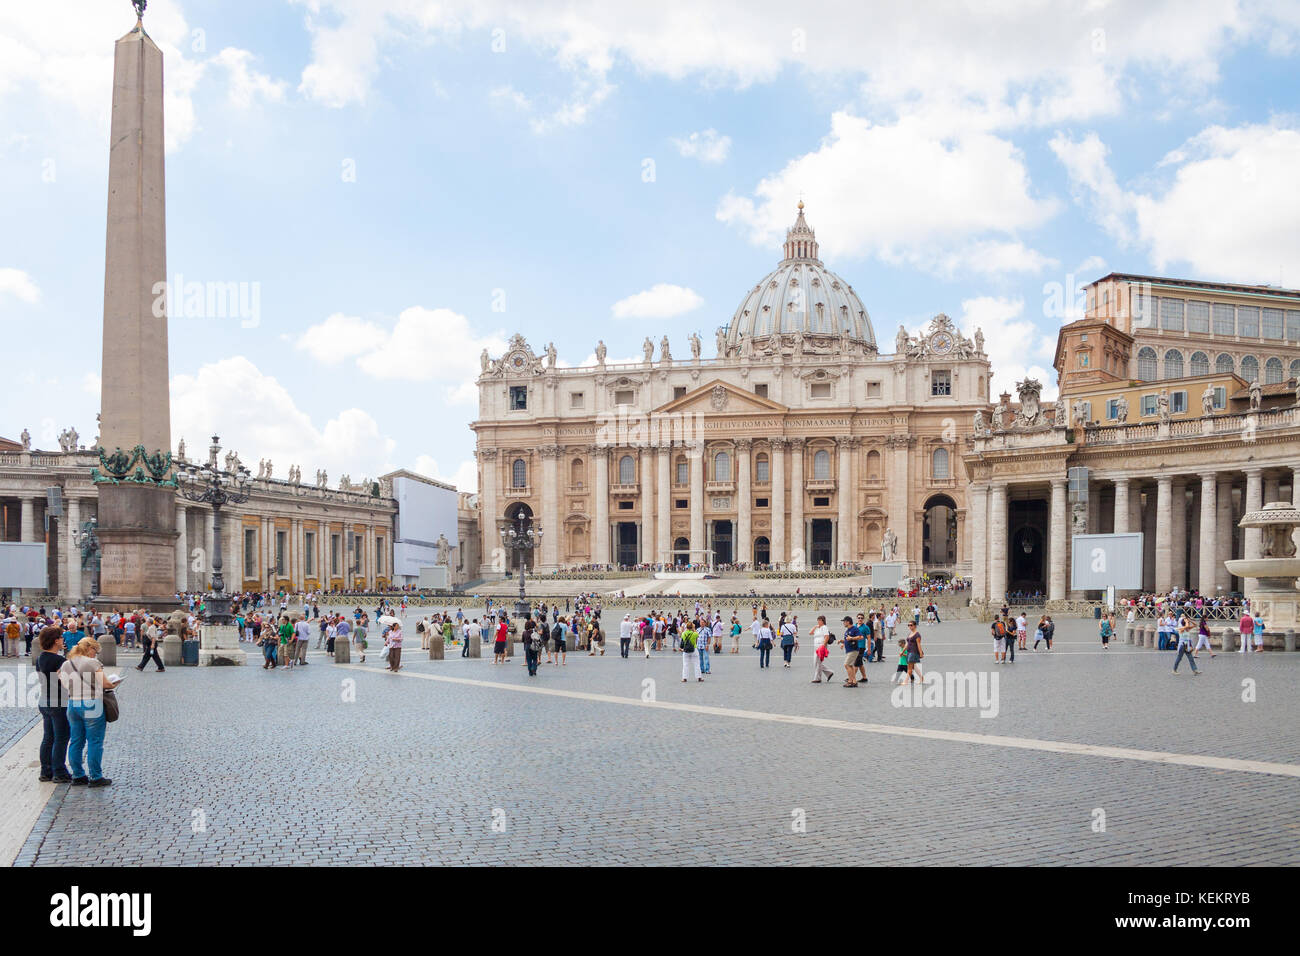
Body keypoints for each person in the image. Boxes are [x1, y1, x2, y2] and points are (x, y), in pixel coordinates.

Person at [58, 637, 116, 787]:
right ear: (90, 648)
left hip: (73, 704)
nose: (95, 654)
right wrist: (113, 683)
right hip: (91, 703)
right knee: (95, 741)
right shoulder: (92, 663)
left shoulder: (66, 664)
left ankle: (78, 775)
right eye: (95, 651)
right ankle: (96, 777)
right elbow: (105, 683)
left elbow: (65, 685)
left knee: (76, 741)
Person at [35, 626, 71, 783]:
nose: (63, 639)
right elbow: (65, 682)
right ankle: (59, 771)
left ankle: (45, 771)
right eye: (61, 637)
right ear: (56, 641)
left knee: (48, 737)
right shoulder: (59, 661)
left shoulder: (40, 658)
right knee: (61, 737)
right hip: (58, 702)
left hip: (44, 700)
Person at [810, 615, 834, 684]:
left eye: (820, 620)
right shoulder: (817, 628)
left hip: (821, 646)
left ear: (823, 621)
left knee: (818, 662)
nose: (818, 621)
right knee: (816, 662)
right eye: (818, 620)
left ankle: (817, 678)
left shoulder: (824, 627)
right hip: (816, 646)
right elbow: (810, 633)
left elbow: (827, 637)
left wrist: (823, 645)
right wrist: (815, 627)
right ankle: (829, 672)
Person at [840, 616, 860, 687]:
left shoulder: (854, 628)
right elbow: (847, 640)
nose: (843, 623)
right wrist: (842, 642)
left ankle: (850, 681)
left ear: (848, 622)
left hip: (853, 649)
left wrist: (851, 638)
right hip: (849, 650)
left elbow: (860, 637)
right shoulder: (847, 630)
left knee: (846, 664)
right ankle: (854, 681)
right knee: (850, 665)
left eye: (844, 621)